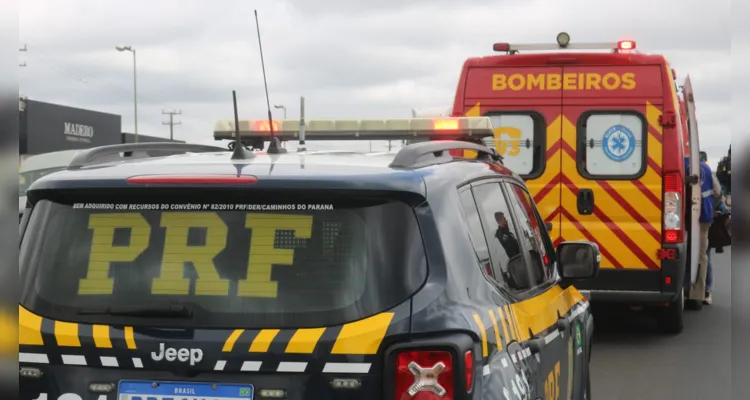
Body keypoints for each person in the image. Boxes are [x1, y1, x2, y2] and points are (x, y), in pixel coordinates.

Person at [689, 152, 720, 306]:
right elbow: (717, 191)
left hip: (683, 217)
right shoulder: (706, 169)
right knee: (702, 255)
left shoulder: (681, 163)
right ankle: (698, 294)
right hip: (704, 216)